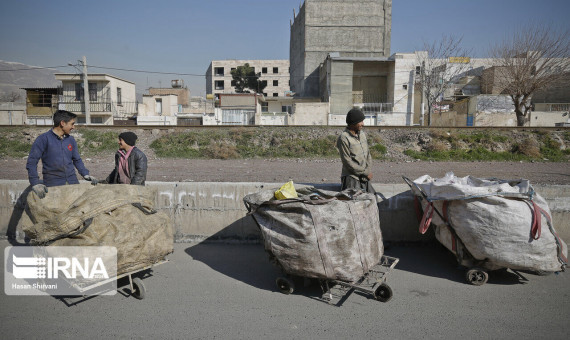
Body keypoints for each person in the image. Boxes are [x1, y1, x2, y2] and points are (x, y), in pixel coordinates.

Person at [26, 110, 97, 198]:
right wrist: (35, 183)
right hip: (53, 185)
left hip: (72, 183)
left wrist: (85, 174)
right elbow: (32, 162)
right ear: (62, 123)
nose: (73, 127)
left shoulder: (71, 140)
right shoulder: (43, 139)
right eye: (72, 124)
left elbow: (77, 159)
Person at [336, 108, 376, 194]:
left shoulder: (362, 134)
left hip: (364, 175)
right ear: (353, 123)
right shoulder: (344, 138)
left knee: (373, 197)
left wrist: (367, 171)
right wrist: (365, 172)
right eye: (360, 122)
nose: (363, 124)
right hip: (351, 176)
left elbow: (368, 154)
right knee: (356, 200)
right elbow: (347, 162)